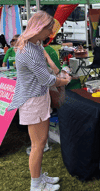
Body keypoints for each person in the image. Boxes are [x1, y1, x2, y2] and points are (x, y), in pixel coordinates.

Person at [7, 11, 72, 191]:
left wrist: (54, 69)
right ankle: (36, 184)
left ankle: (39, 177)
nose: (50, 33)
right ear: (39, 27)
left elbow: (45, 63)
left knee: (41, 142)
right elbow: (47, 80)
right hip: (32, 100)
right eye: (49, 29)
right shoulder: (28, 50)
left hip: (38, 98)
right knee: (38, 145)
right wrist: (64, 81)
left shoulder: (35, 44)